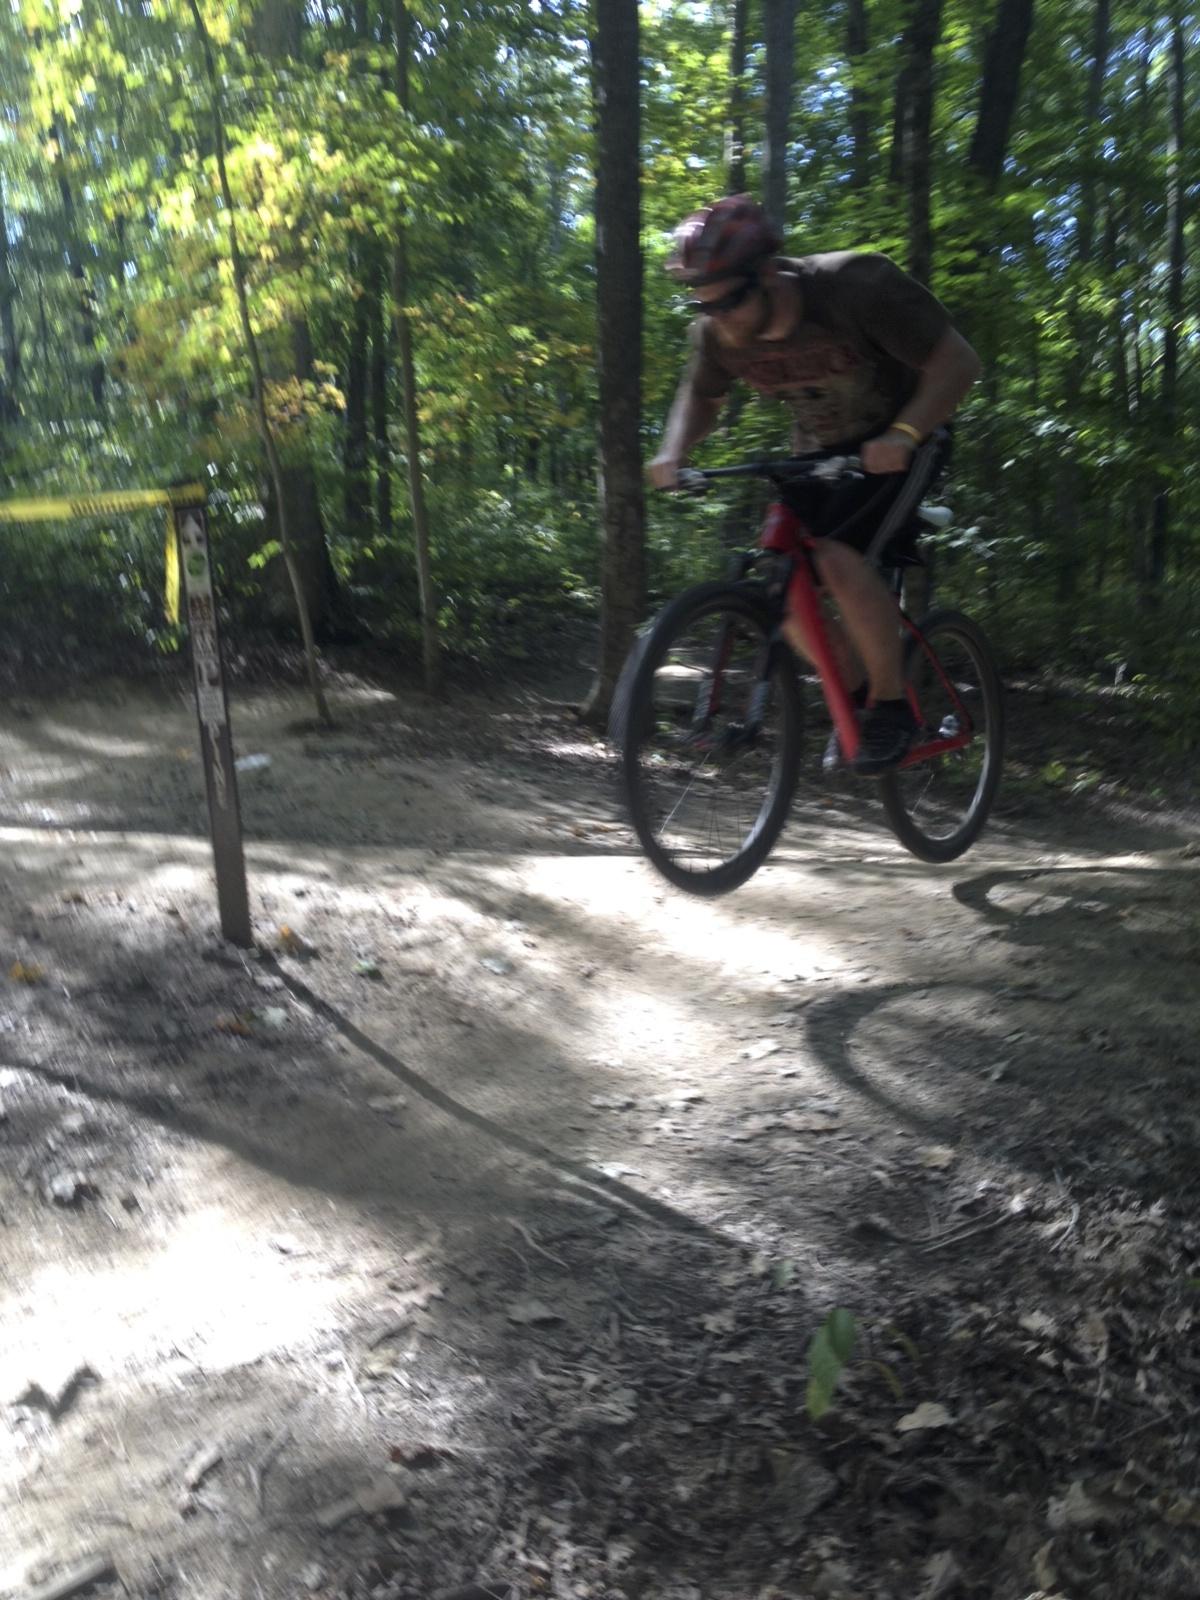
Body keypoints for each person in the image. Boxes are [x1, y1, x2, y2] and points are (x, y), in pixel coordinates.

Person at [648, 195, 981, 775]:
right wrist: (673, 451)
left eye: (727, 298)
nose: (715, 314)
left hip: (908, 438)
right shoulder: (718, 332)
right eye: (700, 301)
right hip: (819, 453)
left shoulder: (854, 286)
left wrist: (903, 433)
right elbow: (702, 395)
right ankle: (858, 704)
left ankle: (894, 706)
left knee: (837, 556)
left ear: (770, 274)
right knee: (784, 573)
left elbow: (959, 362)